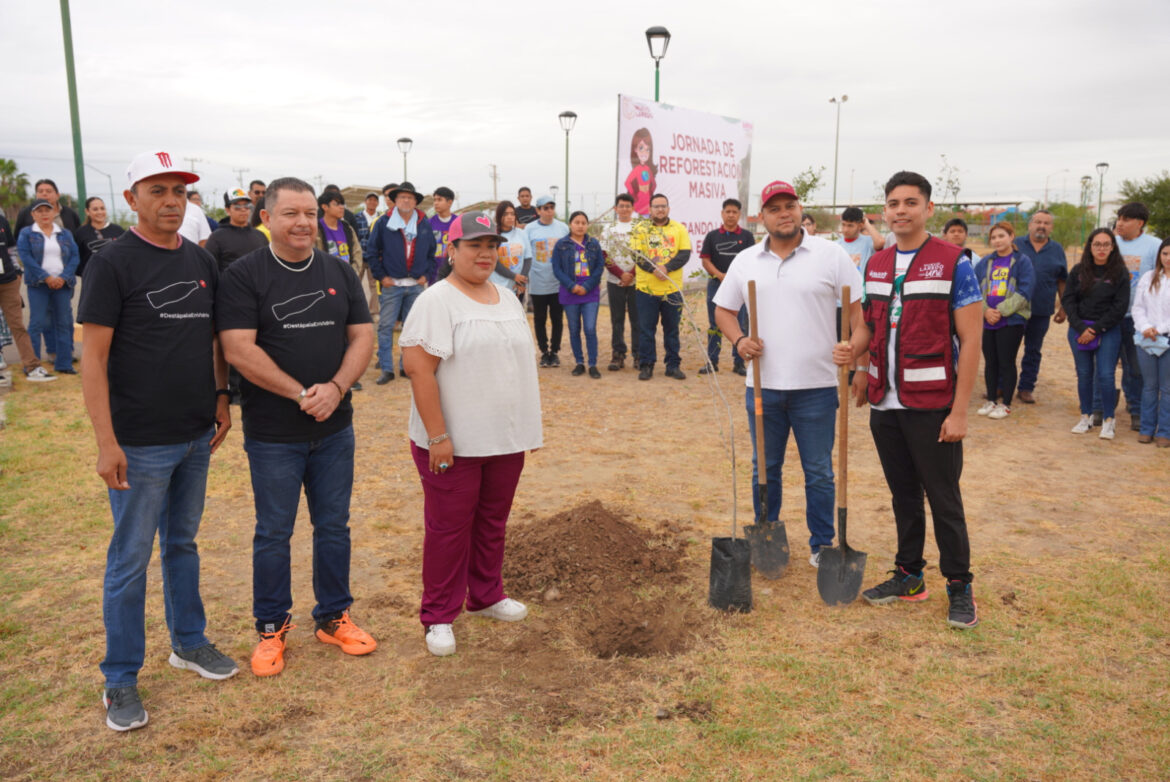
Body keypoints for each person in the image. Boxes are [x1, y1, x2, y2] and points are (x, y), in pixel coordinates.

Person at [78, 150, 237, 732]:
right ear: (132, 199)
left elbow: (215, 338)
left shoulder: (200, 258)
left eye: (181, 191)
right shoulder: (112, 262)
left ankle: (188, 642)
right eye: (158, 190)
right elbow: (91, 358)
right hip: (138, 442)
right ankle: (120, 678)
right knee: (128, 561)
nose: (171, 200)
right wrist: (106, 442)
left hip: (196, 434)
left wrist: (221, 399)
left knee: (183, 543)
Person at [216, 177, 377, 677]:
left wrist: (336, 388)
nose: (303, 222)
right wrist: (301, 393)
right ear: (267, 219)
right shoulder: (244, 275)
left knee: (333, 526)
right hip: (272, 433)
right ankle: (271, 628)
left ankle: (333, 617)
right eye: (291, 213)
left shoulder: (338, 271)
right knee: (273, 532)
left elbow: (363, 335)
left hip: (335, 428)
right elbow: (238, 347)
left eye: (309, 212)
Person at [832, 170, 984, 630]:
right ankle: (909, 575)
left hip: (933, 402)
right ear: (884, 211)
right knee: (903, 495)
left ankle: (959, 585)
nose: (901, 211)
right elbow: (870, 325)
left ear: (928, 209)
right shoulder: (874, 264)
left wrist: (959, 411)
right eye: (893, 203)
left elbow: (971, 340)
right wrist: (854, 355)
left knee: (943, 498)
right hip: (885, 403)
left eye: (911, 203)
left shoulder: (954, 260)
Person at [399, 211, 543, 657]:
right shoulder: (436, 301)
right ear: (452, 250)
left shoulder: (507, 297)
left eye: (491, 246)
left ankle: (486, 595)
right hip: (453, 442)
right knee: (448, 529)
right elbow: (419, 371)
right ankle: (439, 615)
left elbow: (516, 367)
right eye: (474, 245)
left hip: (502, 439)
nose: (485, 254)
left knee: (492, 523)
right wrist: (439, 435)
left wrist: (524, 426)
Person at [715, 180, 862, 566]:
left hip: (816, 387)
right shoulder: (746, 260)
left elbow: (860, 320)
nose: (784, 213)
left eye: (790, 205)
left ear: (800, 210)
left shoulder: (830, 256)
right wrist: (739, 340)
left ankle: (822, 543)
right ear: (761, 217)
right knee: (765, 468)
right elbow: (723, 311)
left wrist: (854, 349)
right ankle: (767, 533)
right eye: (775, 208)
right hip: (763, 386)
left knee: (819, 471)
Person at [1062, 228, 1131, 438]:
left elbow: (1120, 307)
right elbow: (1068, 300)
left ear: (1112, 247)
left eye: (1106, 244)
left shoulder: (1120, 273)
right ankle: (1086, 416)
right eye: (1097, 244)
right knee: (1083, 374)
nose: (1101, 249)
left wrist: (1095, 329)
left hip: (1107, 330)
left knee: (1105, 375)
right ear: (1090, 246)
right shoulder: (1078, 271)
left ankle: (1109, 420)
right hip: (1079, 330)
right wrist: (1081, 328)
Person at [368, 181, 436, 384]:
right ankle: (387, 369)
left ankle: (406, 366)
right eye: (402, 197)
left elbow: (432, 253)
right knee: (386, 326)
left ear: (415, 201)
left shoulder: (424, 223)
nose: (406, 200)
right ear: (395, 200)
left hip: (415, 285)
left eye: (410, 197)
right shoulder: (383, 222)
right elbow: (371, 252)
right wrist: (382, 277)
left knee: (413, 329)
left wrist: (427, 275)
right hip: (392, 285)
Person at [973, 222, 1035, 419]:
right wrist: (985, 311)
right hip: (987, 320)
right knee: (991, 362)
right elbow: (974, 289)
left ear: (1011, 236)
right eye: (994, 237)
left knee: (1006, 362)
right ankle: (991, 400)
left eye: (1001, 236)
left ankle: (1006, 404)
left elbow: (1026, 290)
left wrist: (1000, 310)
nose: (997, 240)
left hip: (1012, 320)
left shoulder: (1022, 261)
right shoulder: (984, 262)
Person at [631, 193, 692, 380]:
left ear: (668, 208)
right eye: (656, 206)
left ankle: (673, 365)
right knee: (646, 329)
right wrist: (653, 269)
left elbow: (684, 253)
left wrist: (666, 267)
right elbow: (636, 254)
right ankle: (647, 365)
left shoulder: (679, 229)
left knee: (672, 330)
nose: (660, 209)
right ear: (649, 209)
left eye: (663, 206)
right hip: (646, 290)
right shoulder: (640, 229)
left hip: (672, 290)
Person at [17, 198, 81, 375]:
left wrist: (63, 277)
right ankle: (33, 365)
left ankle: (64, 363)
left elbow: (75, 256)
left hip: (63, 284)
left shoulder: (65, 233)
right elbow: (26, 257)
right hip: (38, 285)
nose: (44, 214)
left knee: (64, 323)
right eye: (39, 211)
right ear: (33, 214)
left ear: (54, 213)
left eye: (47, 210)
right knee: (36, 324)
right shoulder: (26, 233)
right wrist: (46, 277)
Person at [1114, 202, 1161, 431]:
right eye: (1119, 218)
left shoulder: (1154, 245)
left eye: (1125, 219)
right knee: (1108, 363)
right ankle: (1102, 407)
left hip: (1139, 317)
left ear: (1139, 223)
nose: (1119, 223)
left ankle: (1136, 409)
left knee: (1135, 366)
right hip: (1112, 314)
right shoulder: (1110, 242)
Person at [1013, 210, 1068, 404]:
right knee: (1007, 349)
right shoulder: (1016, 245)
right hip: (1013, 309)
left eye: (1046, 223)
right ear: (1030, 225)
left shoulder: (1057, 249)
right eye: (1038, 222)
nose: (1041, 226)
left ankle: (1026, 388)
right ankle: (1001, 386)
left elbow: (1062, 279)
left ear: (1051, 228)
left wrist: (1064, 307)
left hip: (1041, 310)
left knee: (1033, 350)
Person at [700, 198, 755, 376]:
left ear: (739, 215)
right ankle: (712, 361)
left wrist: (734, 278)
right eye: (728, 211)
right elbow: (706, 260)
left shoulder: (747, 237)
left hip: (740, 287)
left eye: (735, 212)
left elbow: (751, 261)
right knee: (714, 323)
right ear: (722, 214)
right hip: (717, 284)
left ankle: (739, 362)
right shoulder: (712, 236)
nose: (731, 215)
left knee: (740, 324)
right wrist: (721, 276)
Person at [0, 213, 54, 382]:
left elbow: (11, 248)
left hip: (8, 281)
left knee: (18, 325)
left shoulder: (2, 220)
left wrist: (16, 272)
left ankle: (32, 367)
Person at [552, 211, 605, 378]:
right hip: (570, 293)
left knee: (590, 329)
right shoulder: (561, 245)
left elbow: (599, 268)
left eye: (583, 222)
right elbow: (557, 269)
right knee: (574, 329)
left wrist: (588, 286)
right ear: (570, 224)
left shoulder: (594, 244)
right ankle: (579, 362)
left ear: (587, 225)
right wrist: (571, 285)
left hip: (590, 293)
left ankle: (593, 364)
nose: (580, 225)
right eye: (577, 222)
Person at [1133, 238, 1170, 446]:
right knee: (1149, 386)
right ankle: (1147, 429)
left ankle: (1164, 431)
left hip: (1167, 339)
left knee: (1167, 388)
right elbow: (1138, 307)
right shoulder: (1149, 277)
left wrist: (1161, 329)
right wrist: (1146, 327)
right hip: (1146, 339)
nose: (1168, 258)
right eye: (1164, 254)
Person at [525, 195, 570, 367]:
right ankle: (544, 351)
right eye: (545, 208)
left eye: (551, 207)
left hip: (558, 283)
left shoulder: (563, 228)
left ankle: (555, 351)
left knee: (557, 318)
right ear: (538, 211)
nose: (549, 211)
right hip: (537, 282)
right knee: (540, 318)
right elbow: (526, 255)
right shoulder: (529, 229)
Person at [601, 193, 639, 371]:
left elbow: (645, 255)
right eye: (621, 206)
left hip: (637, 282)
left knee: (637, 319)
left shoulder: (641, 227)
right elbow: (604, 254)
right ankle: (618, 354)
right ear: (615, 209)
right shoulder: (609, 229)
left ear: (633, 208)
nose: (624, 209)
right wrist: (620, 274)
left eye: (627, 206)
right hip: (614, 281)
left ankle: (639, 355)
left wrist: (631, 274)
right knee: (617, 319)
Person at [205, 188, 268, 272]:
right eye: (237, 207)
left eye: (246, 206)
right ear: (228, 210)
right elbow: (209, 267)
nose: (243, 209)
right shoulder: (217, 237)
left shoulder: (260, 235)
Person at [75, 197, 126, 278]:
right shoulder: (80, 233)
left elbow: (126, 255)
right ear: (87, 212)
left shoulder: (118, 230)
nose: (100, 212)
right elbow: (76, 258)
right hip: (92, 281)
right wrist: (86, 273)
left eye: (102, 208)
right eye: (95, 209)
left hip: (116, 279)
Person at [316, 190, 363, 273]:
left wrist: (352, 274)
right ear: (324, 207)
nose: (341, 207)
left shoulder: (348, 228)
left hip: (348, 277)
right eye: (336, 204)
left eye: (342, 204)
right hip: (325, 279)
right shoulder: (316, 229)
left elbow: (357, 253)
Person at [14, 178, 82, 235]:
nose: (44, 194)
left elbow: (78, 236)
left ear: (57, 195)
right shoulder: (25, 213)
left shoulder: (70, 213)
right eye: (40, 191)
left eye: (48, 191)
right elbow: (17, 238)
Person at [353, 191, 383, 317]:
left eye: (375, 200)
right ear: (365, 202)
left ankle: (373, 311)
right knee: (354, 283)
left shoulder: (381, 218)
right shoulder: (357, 217)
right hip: (359, 256)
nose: (372, 202)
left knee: (374, 286)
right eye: (369, 200)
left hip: (374, 256)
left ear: (377, 203)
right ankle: (356, 310)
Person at [491, 200, 532, 295]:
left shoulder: (522, 233)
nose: (510, 217)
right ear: (499, 216)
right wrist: (514, 276)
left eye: (512, 214)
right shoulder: (492, 234)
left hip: (516, 286)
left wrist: (521, 280)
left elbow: (528, 259)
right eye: (505, 214)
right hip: (497, 286)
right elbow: (493, 261)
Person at [835, 206, 884, 273]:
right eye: (843, 225)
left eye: (850, 225)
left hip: (861, 283)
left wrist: (866, 222)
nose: (845, 229)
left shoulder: (868, 242)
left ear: (860, 225)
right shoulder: (835, 245)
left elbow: (880, 242)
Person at [427, 186, 458, 285]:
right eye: (435, 200)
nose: (436, 203)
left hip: (454, 273)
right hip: (433, 275)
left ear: (450, 202)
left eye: (439, 200)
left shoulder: (458, 223)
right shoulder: (429, 223)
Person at [624, 128, 657, 216]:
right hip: (638, 207)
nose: (644, 152)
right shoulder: (636, 170)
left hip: (648, 207)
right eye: (641, 148)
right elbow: (627, 183)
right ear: (635, 150)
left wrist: (649, 191)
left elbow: (653, 184)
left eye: (647, 149)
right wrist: (635, 193)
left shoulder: (648, 169)